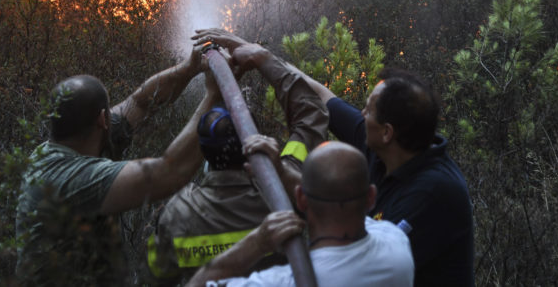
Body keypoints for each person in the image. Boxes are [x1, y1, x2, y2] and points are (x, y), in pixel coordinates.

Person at [195, 28, 474, 287]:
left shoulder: (433, 194)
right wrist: (260, 56)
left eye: (367, 111)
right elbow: (321, 96)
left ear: (387, 132)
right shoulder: (390, 148)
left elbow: (348, 247)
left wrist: (258, 241)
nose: (360, 115)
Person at [16, 46, 218, 285]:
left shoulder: (67, 142)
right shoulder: (73, 179)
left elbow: (140, 103)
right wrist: (214, 96)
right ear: (102, 119)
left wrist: (187, 68)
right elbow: (170, 172)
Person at [147, 43, 329, 281]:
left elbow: (157, 272)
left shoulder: (177, 213)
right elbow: (311, 113)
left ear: (202, 150)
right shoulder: (286, 190)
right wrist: (262, 58)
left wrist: (211, 94)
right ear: (253, 140)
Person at [185, 140, 414, 286]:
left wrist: (257, 243)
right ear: (371, 197)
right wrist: (282, 171)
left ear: (301, 200)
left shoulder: (282, 282)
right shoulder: (397, 245)